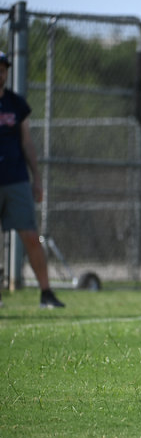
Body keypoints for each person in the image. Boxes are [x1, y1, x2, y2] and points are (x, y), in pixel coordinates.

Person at [0, 51, 65, 309]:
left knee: (30, 235)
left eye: (3, 68)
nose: (0, 73)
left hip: (16, 179)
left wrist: (36, 177)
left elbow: (27, 142)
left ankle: (46, 293)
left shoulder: (16, 104)